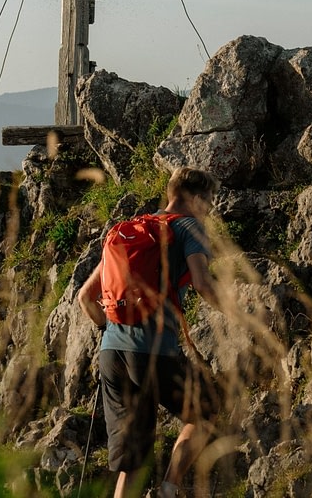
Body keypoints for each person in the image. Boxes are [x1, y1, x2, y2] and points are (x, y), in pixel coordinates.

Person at [77, 167, 223, 498]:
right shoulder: (188, 227)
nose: (211, 208)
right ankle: (169, 488)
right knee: (207, 410)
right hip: (154, 349)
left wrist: (111, 330)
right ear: (196, 199)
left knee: (133, 461)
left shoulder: (127, 230)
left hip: (111, 354)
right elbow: (202, 284)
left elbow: (85, 298)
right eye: (210, 200)